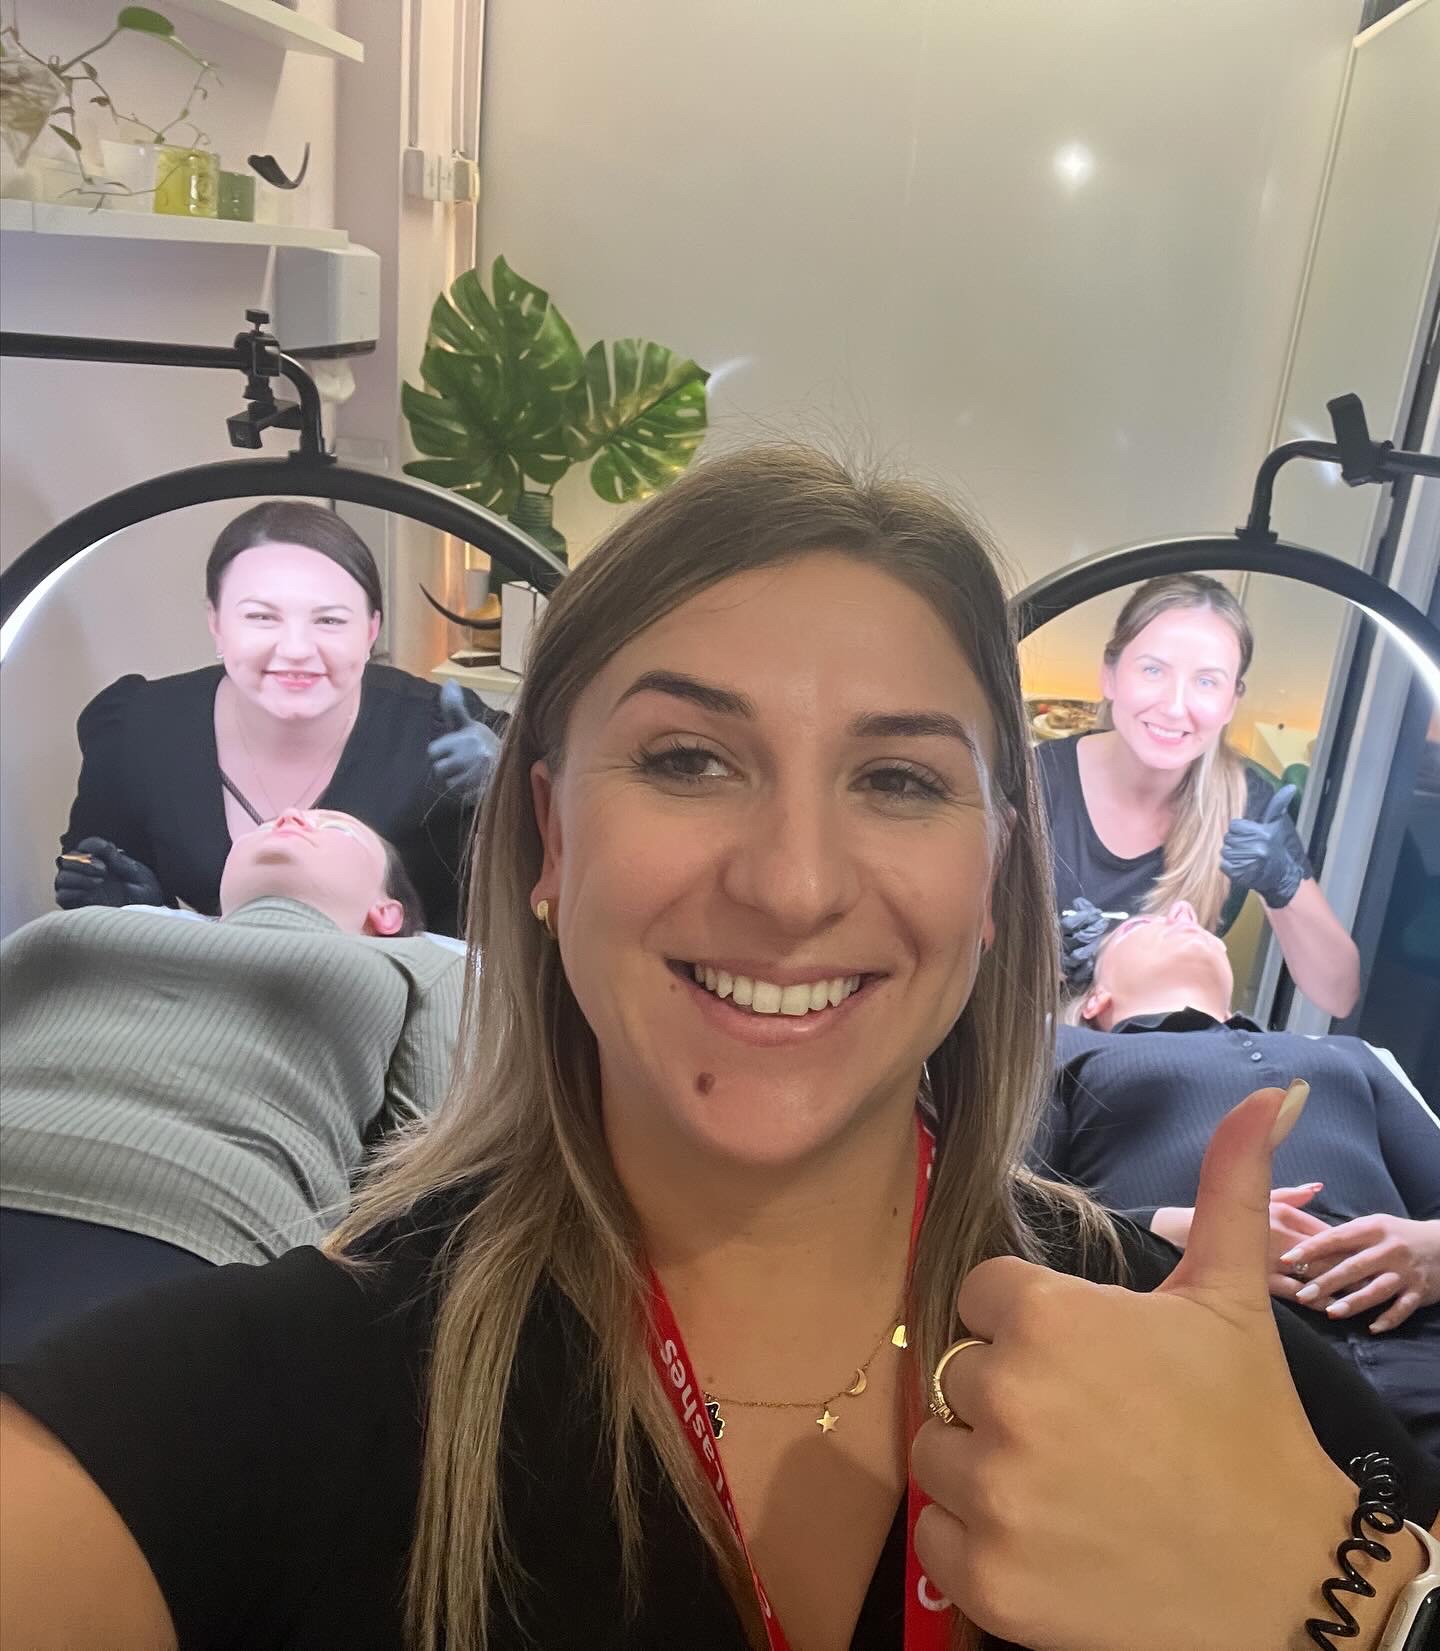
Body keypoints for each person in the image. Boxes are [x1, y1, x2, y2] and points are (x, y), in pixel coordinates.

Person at [2, 449, 1437, 1651]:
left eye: (898, 778)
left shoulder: (1215, 1384)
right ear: (552, 836)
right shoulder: (260, 1404)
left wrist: (1359, 1608)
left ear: (996, 875)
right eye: (689, 759)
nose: (793, 885)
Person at [3, 807, 464, 1361]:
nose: (290, 816)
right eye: (265, 824)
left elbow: (429, 1169)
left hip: (186, 1235)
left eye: (337, 828)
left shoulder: (419, 962)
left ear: (386, 913)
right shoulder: (99, 923)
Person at [1033, 900, 1440, 1460]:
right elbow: (1012, 1217)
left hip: (1423, 1347)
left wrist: (1430, 1249)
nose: (1183, 910)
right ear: (1096, 999)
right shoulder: (1058, 1048)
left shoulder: (1353, 1054)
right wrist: (1171, 1236)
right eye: (1142, 923)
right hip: (1200, 1366)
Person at [53, 500, 504, 937]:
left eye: (329, 621)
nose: (295, 649)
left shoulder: (445, 732)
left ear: (370, 630)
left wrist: (506, 790)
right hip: (207, 984)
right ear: (216, 623)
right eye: (262, 617)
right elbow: (98, 903)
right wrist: (141, 918)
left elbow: (528, 898)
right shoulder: (139, 731)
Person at [1037, 573, 1361, 1016]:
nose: (1175, 707)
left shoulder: (1245, 805)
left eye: (1207, 682)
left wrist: (1282, 884)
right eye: (1153, 670)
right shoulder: (1034, 784)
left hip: (1152, 1053)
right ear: (1109, 676)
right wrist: (1036, 955)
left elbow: (1338, 995)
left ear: (1231, 703)